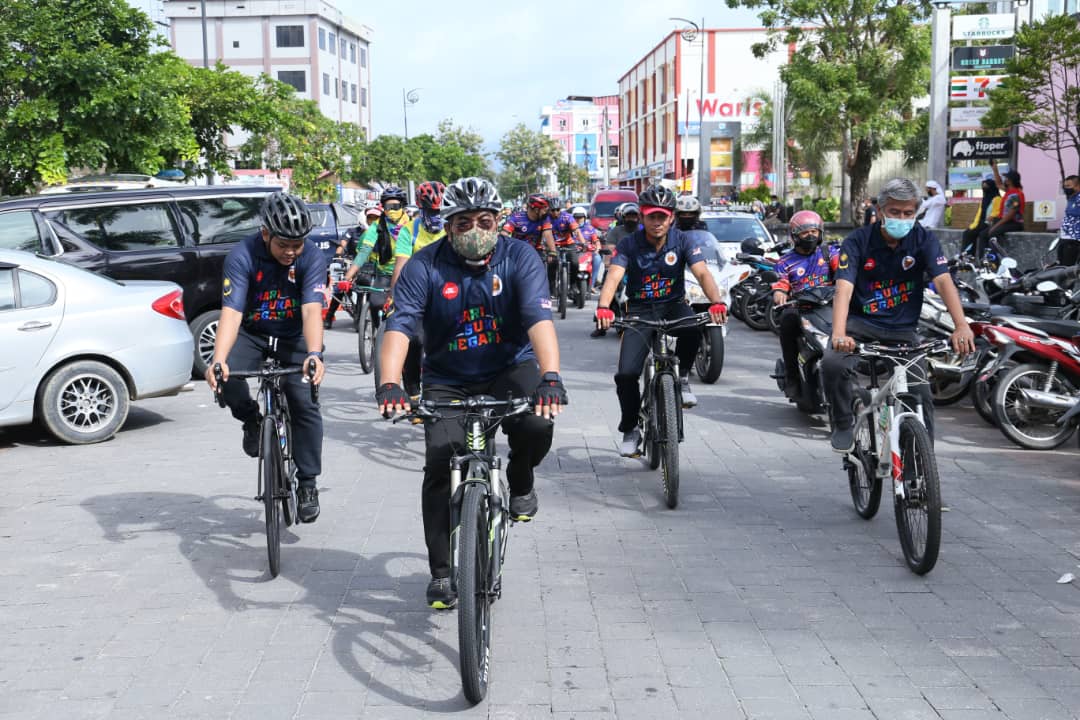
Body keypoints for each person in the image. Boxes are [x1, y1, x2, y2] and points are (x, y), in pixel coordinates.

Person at [375, 177, 567, 609]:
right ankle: (442, 573)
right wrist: (389, 383)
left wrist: (551, 376)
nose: (474, 229)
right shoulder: (425, 266)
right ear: (448, 226)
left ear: (499, 222)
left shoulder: (521, 257)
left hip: (509, 367)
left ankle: (521, 481)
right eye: (463, 222)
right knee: (441, 464)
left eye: (484, 220)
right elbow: (401, 326)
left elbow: (538, 321)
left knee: (537, 423)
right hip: (447, 377)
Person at [823, 178, 975, 452]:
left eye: (908, 213)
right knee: (832, 365)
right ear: (881, 211)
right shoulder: (858, 241)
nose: (901, 218)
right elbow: (843, 288)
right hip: (859, 327)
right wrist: (839, 333)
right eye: (895, 212)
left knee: (921, 395)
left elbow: (943, 281)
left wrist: (961, 325)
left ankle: (922, 465)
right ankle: (843, 423)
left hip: (903, 332)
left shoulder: (924, 239)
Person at [205, 192, 327, 523]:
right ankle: (251, 421)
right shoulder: (242, 255)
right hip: (253, 332)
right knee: (226, 378)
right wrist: (219, 359)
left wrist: (314, 353)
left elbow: (312, 310)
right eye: (284, 244)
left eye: (297, 244)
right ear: (265, 234)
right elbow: (231, 312)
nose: (291, 251)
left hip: (294, 335)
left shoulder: (312, 257)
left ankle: (308, 484)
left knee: (303, 401)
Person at [593, 184, 728, 456]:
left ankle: (684, 377)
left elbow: (702, 273)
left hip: (673, 305)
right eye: (651, 216)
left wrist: (716, 301)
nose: (657, 222)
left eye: (663, 216)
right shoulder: (629, 244)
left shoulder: (684, 241)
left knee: (693, 326)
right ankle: (631, 429)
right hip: (640, 310)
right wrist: (604, 307)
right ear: (642, 216)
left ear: (671, 218)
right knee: (626, 375)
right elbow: (615, 276)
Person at [771, 210, 837, 400]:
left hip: (828, 305)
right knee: (787, 322)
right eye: (805, 232)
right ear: (794, 236)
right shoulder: (785, 261)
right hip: (800, 308)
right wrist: (780, 293)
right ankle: (792, 378)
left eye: (814, 232)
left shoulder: (829, 253)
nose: (810, 236)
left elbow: (842, 273)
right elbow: (781, 283)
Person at [336, 186, 414, 331]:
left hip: (408, 274)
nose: (391, 210)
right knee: (375, 303)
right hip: (384, 274)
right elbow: (364, 253)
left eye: (395, 206)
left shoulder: (413, 225)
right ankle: (377, 335)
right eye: (387, 206)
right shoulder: (377, 226)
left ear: (403, 206)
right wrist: (347, 278)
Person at [547, 196, 586, 296]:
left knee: (575, 262)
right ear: (549, 210)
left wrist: (583, 243)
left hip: (569, 243)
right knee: (552, 262)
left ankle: (573, 285)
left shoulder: (567, 217)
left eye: (557, 210)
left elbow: (576, 231)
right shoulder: (546, 219)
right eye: (553, 210)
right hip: (553, 245)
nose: (555, 212)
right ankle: (551, 287)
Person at [501, 193, 557, 258]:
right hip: (518, 252)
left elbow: (548, 234)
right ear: (536, 210)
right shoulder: (516, 218)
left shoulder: (544, 219)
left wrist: (553, 252)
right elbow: (504, 234)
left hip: (536, 251)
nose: (546, 213)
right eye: (544, 210)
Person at [980, 167, 1025, 246]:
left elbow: (1010, 215)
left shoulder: (1016, 195)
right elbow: (998, 184)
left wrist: (995, 226)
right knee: (983, 235)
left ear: (1010, 181)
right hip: (1005, 222)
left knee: (992, 233)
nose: (1005, 180)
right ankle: (985, 257)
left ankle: (997, 257)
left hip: (1013, 223)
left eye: (1006, 178)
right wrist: (994, 169)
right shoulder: (1009, 191)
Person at [961, 174, 1001, 260]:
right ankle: (968, 256)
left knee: (979, 234)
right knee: (967, 233)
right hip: (981, 222)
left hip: (989, 223)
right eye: (983, 186)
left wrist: (989, 218)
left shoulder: (997, 198)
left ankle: (982, 259)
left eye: (986, 186)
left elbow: (996, 212)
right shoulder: (984, 199)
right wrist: (974, 224)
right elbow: (979, 213)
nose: (984, 188)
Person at [571, 205, 603, 290]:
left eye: (580, 217)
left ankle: (591, 285)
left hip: (587, 252)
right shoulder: (569, 228)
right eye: (576, 217)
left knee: (598, 258)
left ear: (585, 218)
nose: (578, 219)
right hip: (572, 251)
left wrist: (598, 248)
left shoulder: (590, 228)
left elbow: (596, 240)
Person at [1058, 175, 1079, 266]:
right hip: (1065, 238)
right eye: (1065, 186)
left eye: (1069, 186)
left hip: (1073, 240)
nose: (1066, 189)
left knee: (1067, 268)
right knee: (1061, 266)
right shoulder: (1071, 198)